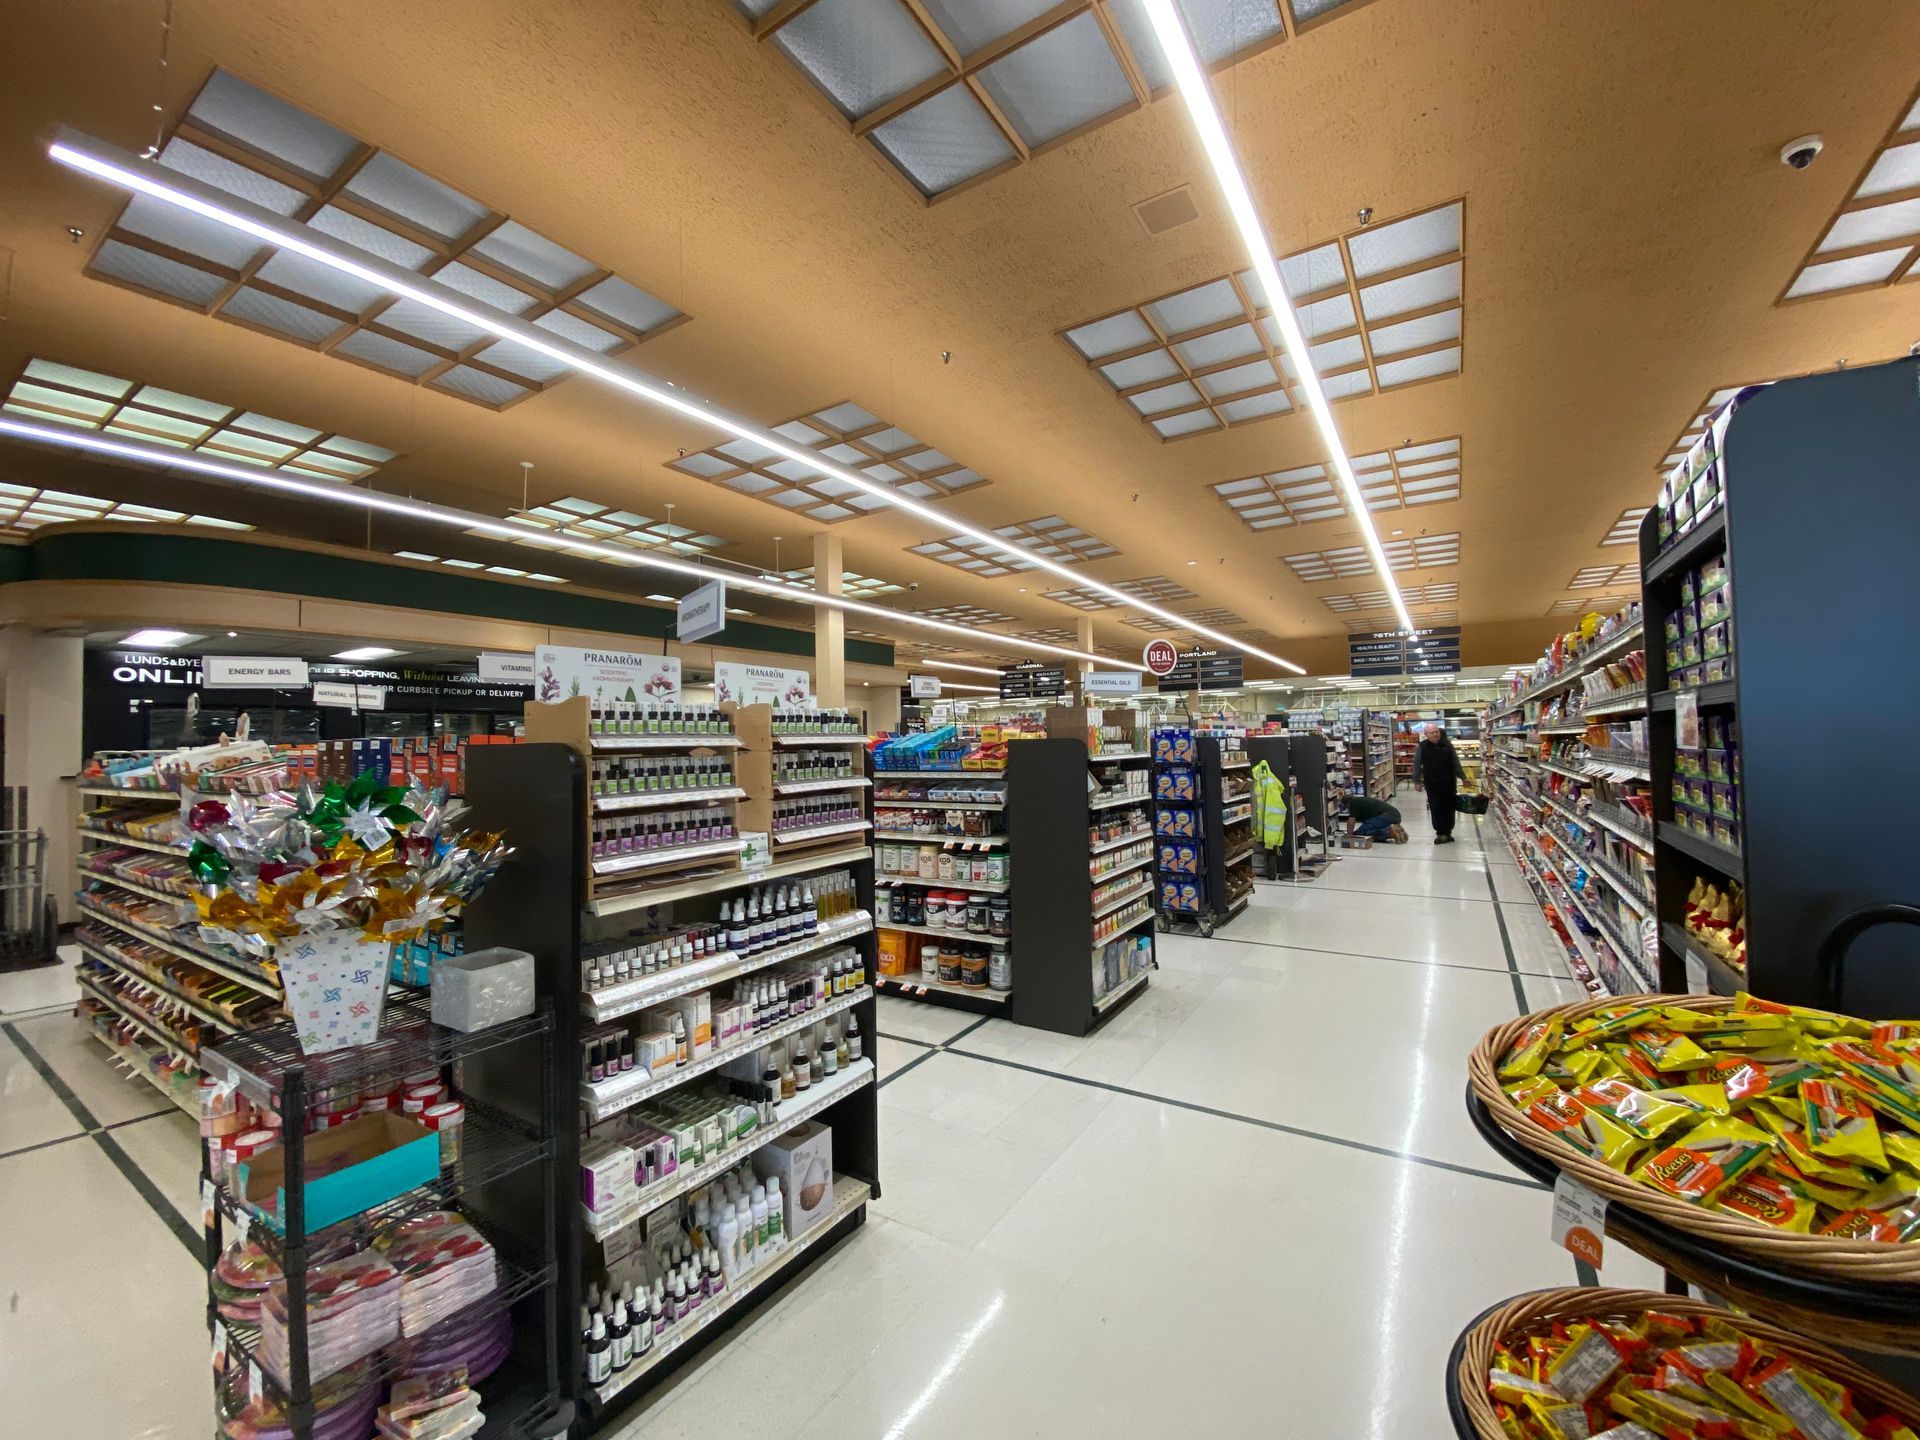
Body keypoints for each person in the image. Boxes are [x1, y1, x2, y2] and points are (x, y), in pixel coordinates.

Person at [1413, 723, 1465, 844]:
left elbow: (1455, 762)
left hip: (1449, 781)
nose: (1436, 734)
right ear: (1426, 735)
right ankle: (1440, 832)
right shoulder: (1422, 746)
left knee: (1449, 806)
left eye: (1437, 731)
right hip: (1432, 782)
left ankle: (1448, 832)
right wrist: (1417, 781)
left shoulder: (1448, 745)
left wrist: (1463, 777)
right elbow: (1416, 764)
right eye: (1432, 732)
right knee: (1436, 807)